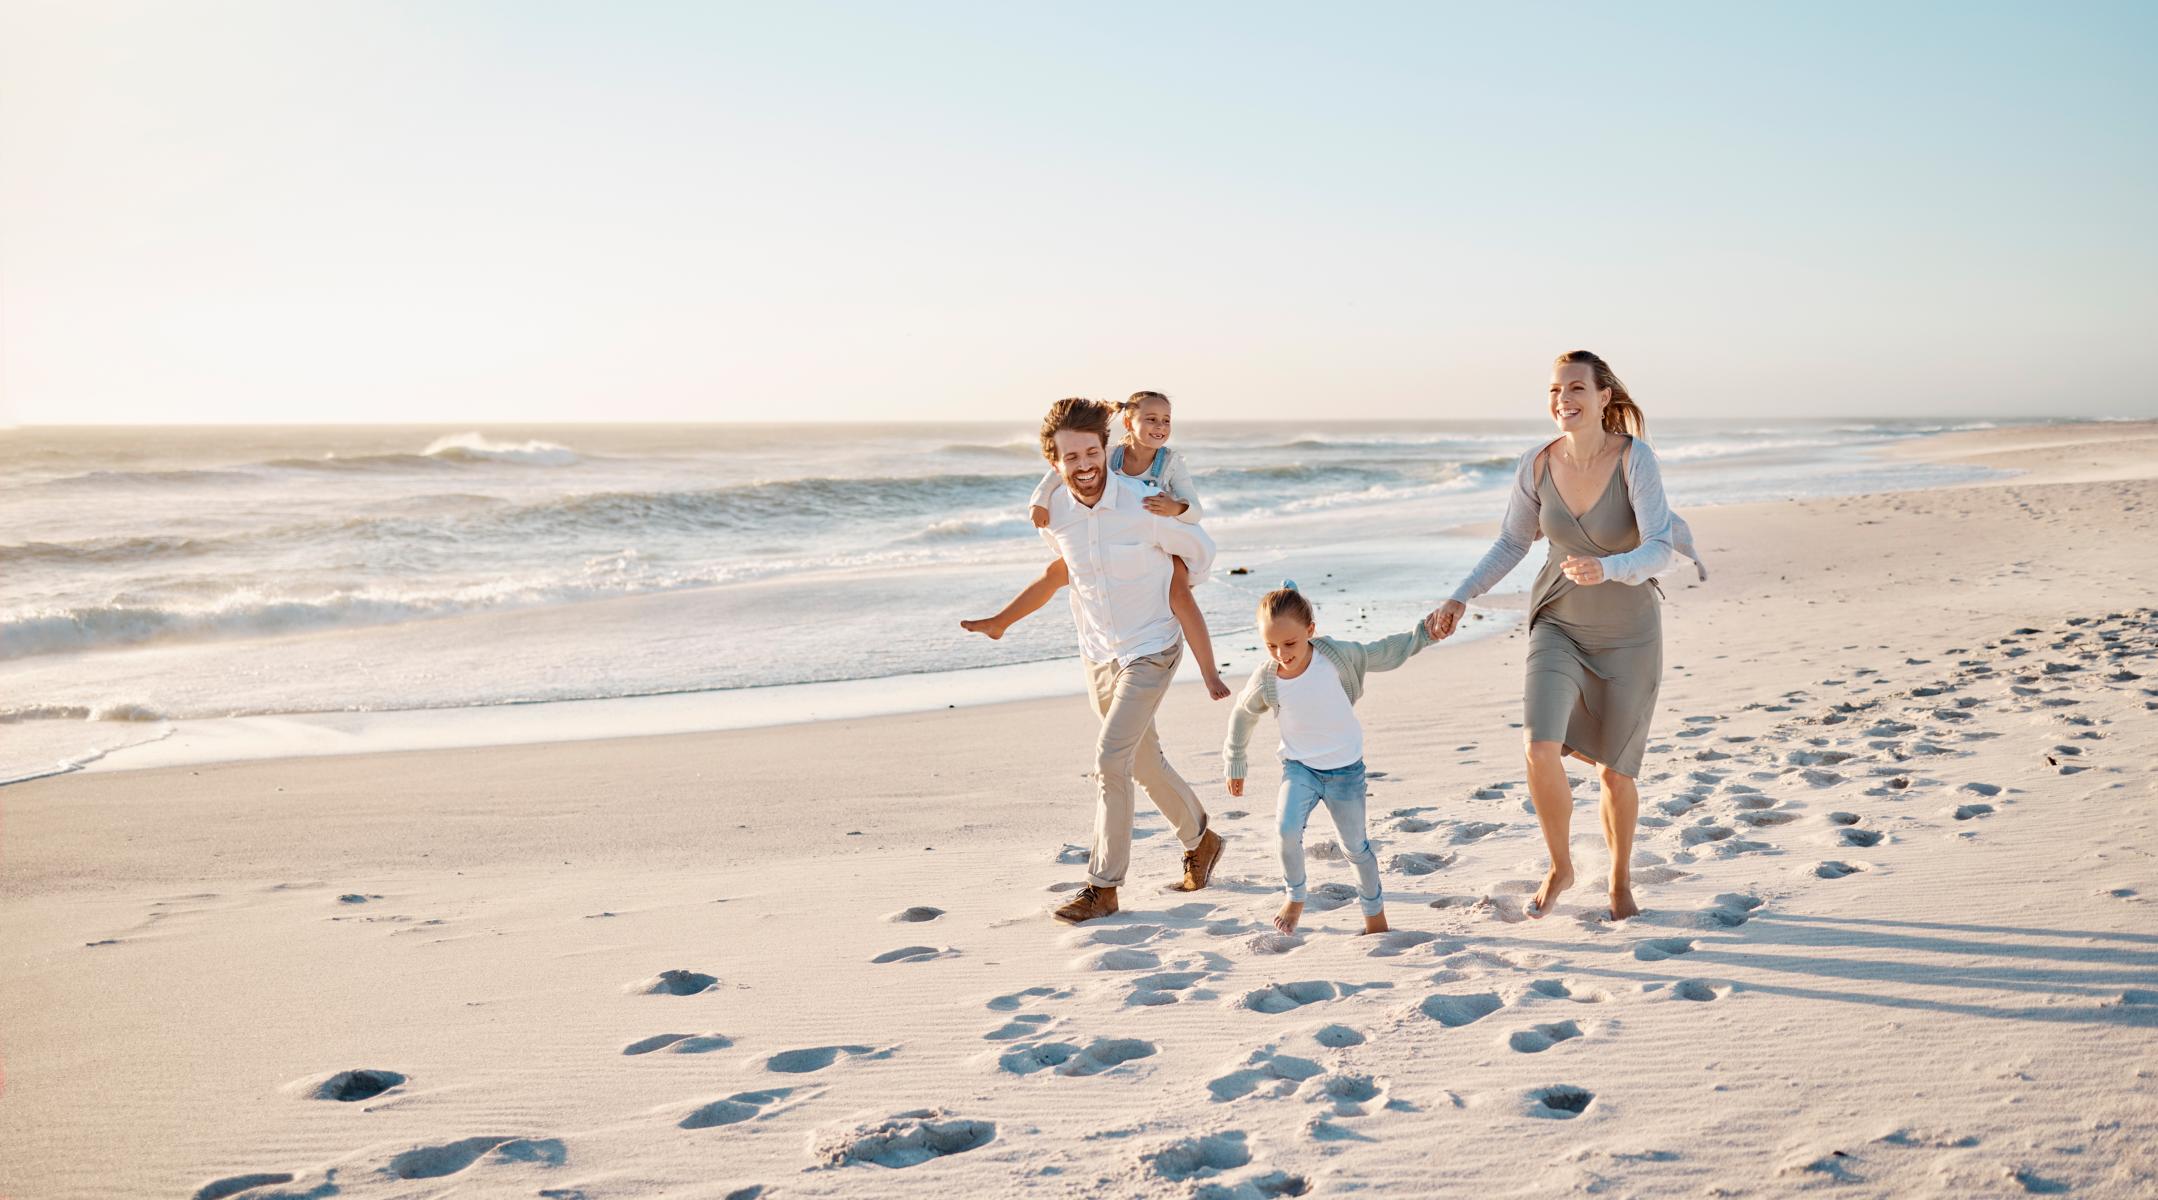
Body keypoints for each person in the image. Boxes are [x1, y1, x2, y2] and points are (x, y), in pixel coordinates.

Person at [1424, 351, 1705, 921]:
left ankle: (1620, 880)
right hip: (1558, 620)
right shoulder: (1535, 464)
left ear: (1604, 397)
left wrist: (1610, 566)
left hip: (1629, 634)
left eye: (1575, 388)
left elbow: (1659, 547)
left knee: (1616, 773)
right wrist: (1460, 596)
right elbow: (1511, 542)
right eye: (1554, 391)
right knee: (1538, 746)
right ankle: (1561, 866)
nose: (1562, 400)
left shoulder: (1635, 460)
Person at [1029, 397, 1227, 925]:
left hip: (1153, 648)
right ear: (1056, 462)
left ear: (1105, 449)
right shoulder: (1058, 514)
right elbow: (1069, 568)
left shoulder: (1144, 503)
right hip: (1098, 653)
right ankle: (1201, 840)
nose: (1085, 466)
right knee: (1141, 762)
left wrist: (1177, 579)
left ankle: (1103, 886)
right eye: (1071, 458)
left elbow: (1201, 547)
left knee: (1108, 763)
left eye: (1092, 452)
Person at [961, 391, 1231, 701]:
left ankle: (1210, 674)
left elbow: (1195, 510)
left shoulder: (1170, 462)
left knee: (1180, 597)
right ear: (1128, 423)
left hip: (1164, 540)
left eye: (1166, 421)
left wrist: (1175, 508)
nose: (1159, 427)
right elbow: (1056, 472)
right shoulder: (1110, 453)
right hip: (1116, 534)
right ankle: (1000, 622)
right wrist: (1038, 503)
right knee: (1056, 572)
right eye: (1150, 419)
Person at [1224, 581, 1435, 936]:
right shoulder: (1268, 678)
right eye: (1271, 645)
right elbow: (1243, 714)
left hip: (1346, 772)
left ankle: (1374, 917)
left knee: (1355, 847)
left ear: (1310, 631)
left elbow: (1381, 651)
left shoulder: (1335, 658)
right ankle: (1295, 896)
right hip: (1300, 769)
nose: (1281, 653)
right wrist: (1235, 761)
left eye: (1289, 643)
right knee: (1285, 831)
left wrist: (1423, 636)